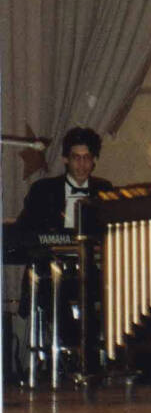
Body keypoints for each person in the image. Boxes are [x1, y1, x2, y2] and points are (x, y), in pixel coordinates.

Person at [15, 126, 113, 375]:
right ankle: (76, 353)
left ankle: (93, 355)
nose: (82, 165)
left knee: (102, 290)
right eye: (76, 158)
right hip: (50, 270)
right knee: (53, 291)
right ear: (65, 160)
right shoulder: (43, 191)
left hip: (88, 269)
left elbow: (112, 229)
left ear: (94, 160)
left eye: (87, 158)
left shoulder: (105, 189)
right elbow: (26, 230)